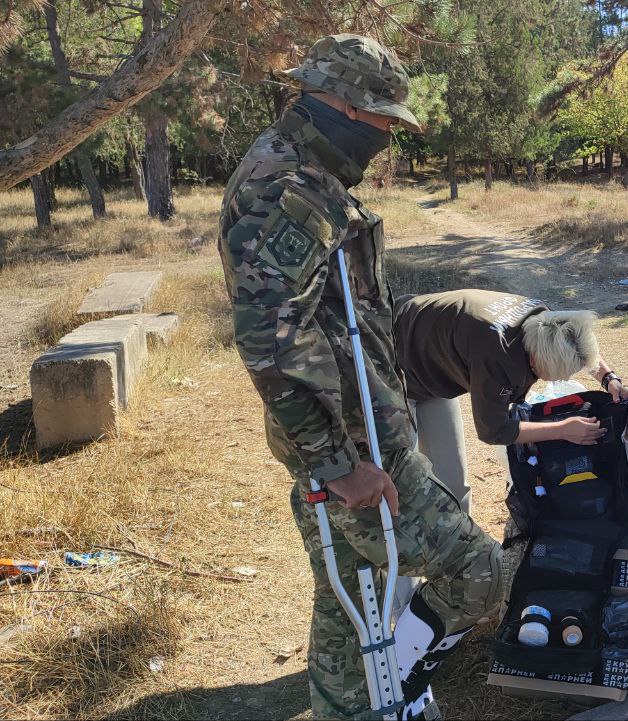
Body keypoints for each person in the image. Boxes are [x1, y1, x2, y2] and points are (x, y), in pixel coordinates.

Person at [218, 34, 500, 721]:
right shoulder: (295, 190)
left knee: (346, 593)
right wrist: (340, 464)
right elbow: (271, 337)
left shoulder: (290, 165)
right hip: (355, 446)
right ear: (341, 102)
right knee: (480, 575)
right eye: (382, 120)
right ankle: (401, 673)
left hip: (336, 437)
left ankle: (349, 707)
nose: (386, 138)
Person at [391, 290, 628, 513]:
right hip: (390, 362)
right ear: (535, 361)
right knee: (400, 477)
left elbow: (576, 341)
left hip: (431, 357)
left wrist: (609, 378)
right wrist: (562, 430)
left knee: (452, 479)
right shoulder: (497, 359)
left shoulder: (544, 320)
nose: (565, 379)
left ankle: (459, 544)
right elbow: (494, 431)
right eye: (560, 374)